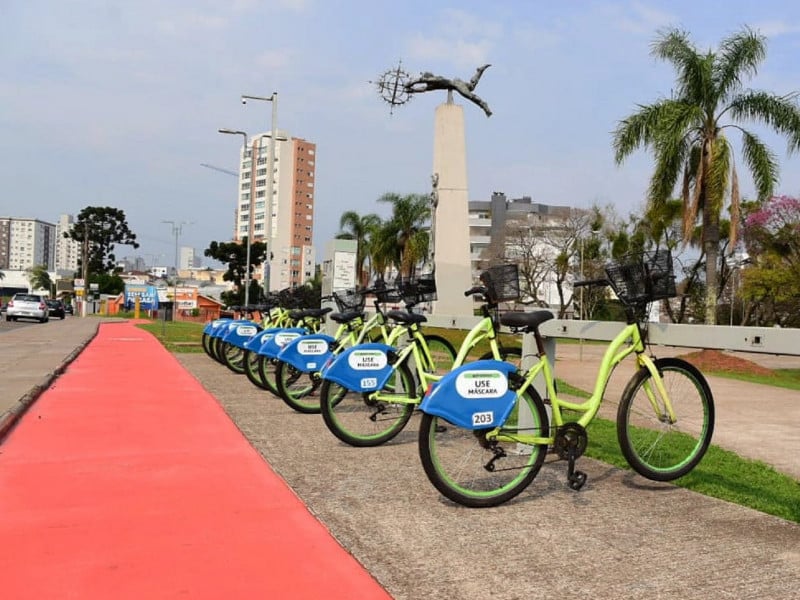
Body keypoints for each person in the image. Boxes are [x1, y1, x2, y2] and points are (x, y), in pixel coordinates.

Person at [405, 64, 492, 117]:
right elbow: (423, 89)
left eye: (428, 82)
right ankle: (479, 71)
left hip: (457, 84)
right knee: (471, 87)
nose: (427, 84)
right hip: (456, 84)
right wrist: (413, 90)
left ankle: (483, 105)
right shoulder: (432, 85)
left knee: (469, 95)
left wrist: (411, 83)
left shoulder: (437, 79)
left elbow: (422, 80)